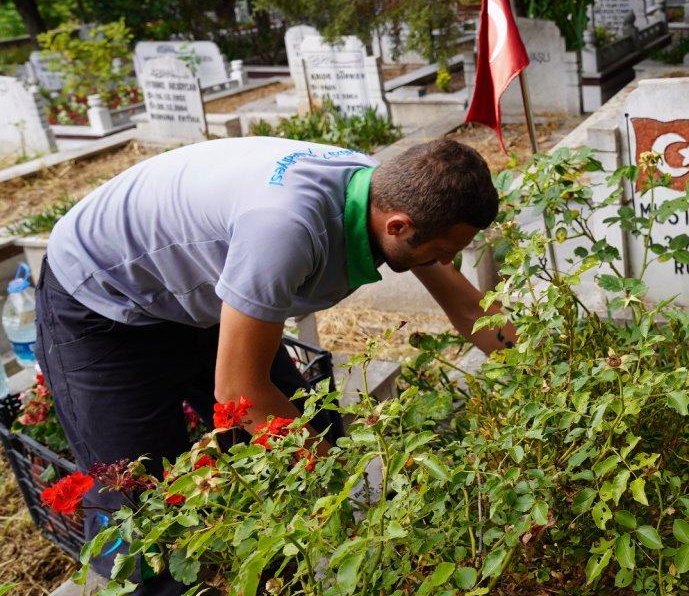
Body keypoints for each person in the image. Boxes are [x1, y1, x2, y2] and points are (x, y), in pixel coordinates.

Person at [36, 136, 514, 592]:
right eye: (447, 250)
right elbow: (239, 393)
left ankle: (290, 575)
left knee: (313, 427)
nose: (449, 260)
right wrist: (360, 498)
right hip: (102, 302)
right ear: (399, 226)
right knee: (145, 509)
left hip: (199, 290)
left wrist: (536, 371)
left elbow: (470, 309)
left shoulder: (392, 193)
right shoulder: (286, 229)